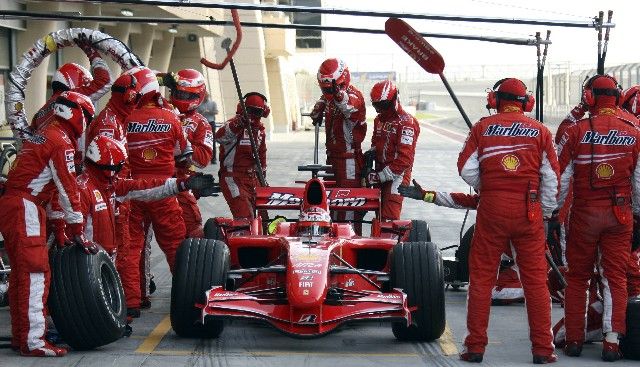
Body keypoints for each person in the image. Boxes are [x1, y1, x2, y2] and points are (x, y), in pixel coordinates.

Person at [457, 78, 559, 364]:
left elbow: (465, 170)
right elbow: (552, 177)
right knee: (536, 282)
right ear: (526, 102)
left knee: (480, 279)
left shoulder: (481, 127)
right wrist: (546, 211)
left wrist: (488, 185)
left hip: (492, 208)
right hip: (529, 209)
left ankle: (474, 347)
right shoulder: (541, 131)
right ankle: (543, 349)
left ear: (495, 100)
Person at [0, 91, 96, 357]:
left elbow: (50, 187)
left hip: (16, 204)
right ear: (78, 115)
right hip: (25, 206)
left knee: (22, 275)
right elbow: (67, 188)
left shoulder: (44, 133)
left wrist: (59, 226)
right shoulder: (61, 140)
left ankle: (23, 337)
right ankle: (34, 341)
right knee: (35, 274)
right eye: (86, 117)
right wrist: (77, 227)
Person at [555, 74, 640, 361]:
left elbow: (561, 180)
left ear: (589, 98)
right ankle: (612, 342)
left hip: (584, 215)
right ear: (617, 97)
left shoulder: (575, 130)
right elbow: (639, 181)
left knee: (578, 277)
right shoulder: (636, 129)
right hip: (620, 214)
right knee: (615, 277)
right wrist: (636, 211)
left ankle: (575, 340)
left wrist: (550, 212)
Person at [121, 66, 191, 317]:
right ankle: (188, 299)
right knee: (175, 246)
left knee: (130, 249)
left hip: (132, 192)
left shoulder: (123, 118)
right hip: (164, 190)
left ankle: (131, 303)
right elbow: (186, 155)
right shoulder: (171, 117)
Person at [309, 58, 366, 228]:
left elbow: (348, 106)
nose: (328, 91)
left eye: (331, 88)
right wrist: (319, 106)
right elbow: (325, 100)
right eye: (324, 88)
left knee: (346, 205)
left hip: (349, 160)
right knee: (330, 204)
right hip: (332, 158)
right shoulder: (329, 98)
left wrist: (337, 95)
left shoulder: (353, 96)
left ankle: (350, 241)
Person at [364, 80, 419, 220]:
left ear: (394, 99)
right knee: (380, 214)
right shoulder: (379, 120)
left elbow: (404, 160)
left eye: (382, 105)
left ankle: (391, 241)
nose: (379, 109)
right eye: (376, 105)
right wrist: (369, 157)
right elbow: (375, 144)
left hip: (398, 175)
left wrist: (380, 176)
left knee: (389, 217)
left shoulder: (407, 123)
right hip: (381, 171)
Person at [168, 69, 214, 237]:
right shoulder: (159, 110)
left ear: (198, 96)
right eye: (178, 93)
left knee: (193, 230)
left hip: (180, 180)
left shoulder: (201, 123)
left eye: (187, 95)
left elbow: (203, 159)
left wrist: (180, 135)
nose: (182, 98)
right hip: (149, 178)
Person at [31, 37, 112, 133]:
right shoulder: (72, 97)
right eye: (85, 84)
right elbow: (106, 80)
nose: (86, 88)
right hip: (68, 147)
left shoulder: (40, 113)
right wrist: (91, 52)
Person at [216, 92, 268, 219]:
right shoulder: (233, 125)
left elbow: (262, 156)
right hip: (232, 177)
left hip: (253, 178)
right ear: (243, 109)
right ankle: (243, 237)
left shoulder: (260, 131)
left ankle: (262, 238)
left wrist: (263, 179)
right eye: (251, 111)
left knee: (263, 217)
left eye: (258, 112)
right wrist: (238, 124)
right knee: (246, 217)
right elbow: (219, 137)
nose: (254, 115)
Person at [197, 91, 219, 164]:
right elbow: (196, 113)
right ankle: (202, 157)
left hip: (211, 123)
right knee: (201, 140)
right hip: (202, 123)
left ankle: (213, 158)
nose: (205, 97)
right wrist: (202, 112)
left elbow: (216, 112)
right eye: (203, 96)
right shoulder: (199, 104)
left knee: (212, 140)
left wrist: (209, 111)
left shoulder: (213, 103)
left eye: (206, 96)